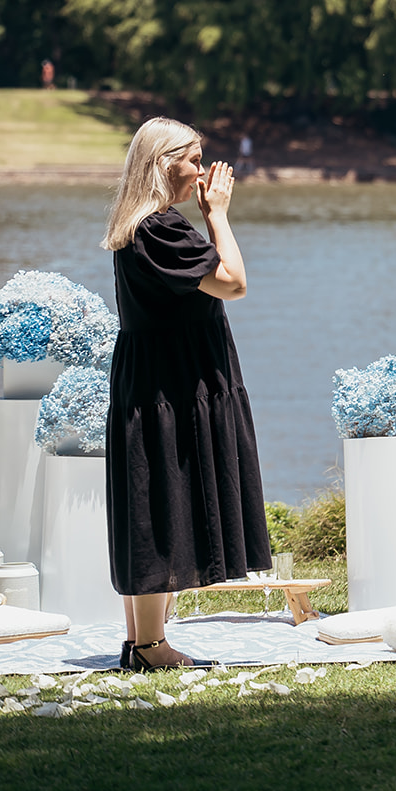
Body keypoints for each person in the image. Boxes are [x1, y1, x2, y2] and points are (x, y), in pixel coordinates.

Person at [100, 117, 271, 670]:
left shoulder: (142, 225)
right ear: (163, 164)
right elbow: (234, 282)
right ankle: (150, 647)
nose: (202, 172)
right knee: (159, 502)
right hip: (172, 381)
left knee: (151, 499)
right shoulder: (160, 228)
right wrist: (218, 215)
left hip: (156, 376)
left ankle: (140, 640)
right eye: (193, 160)